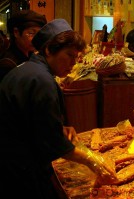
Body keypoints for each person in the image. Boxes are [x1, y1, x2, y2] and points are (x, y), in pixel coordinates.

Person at [0, 19, 117, 199]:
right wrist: (92, 161)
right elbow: (53, 143)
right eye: (69, 55)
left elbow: (30, 118)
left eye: (76, 57)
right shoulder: (42, 80)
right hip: (18, 167)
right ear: (48, 50)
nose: (73, 63)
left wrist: (59, 128)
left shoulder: (30, 69)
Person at [0, 10, 47, 82]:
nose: (36, 39)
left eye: (38, 34)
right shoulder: (8, 64)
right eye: (31, 33)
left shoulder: (31, 56)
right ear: (16, 32)